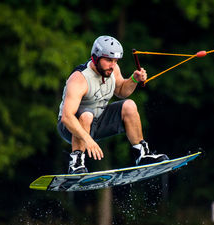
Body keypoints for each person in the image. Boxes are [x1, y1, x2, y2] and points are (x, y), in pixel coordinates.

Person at [58, 35, 168, 174]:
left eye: (115, 61)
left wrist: (134, 79)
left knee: (129, 105)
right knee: (86, 115)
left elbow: (122, 91)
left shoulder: (113, 69)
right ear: (95, 57)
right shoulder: (79, 79)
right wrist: (88, 139)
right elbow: (67, 117)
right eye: (109, 60)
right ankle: (76, 164)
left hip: (98, 121)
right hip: (70, 127)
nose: (112, 65)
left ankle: (142, 155)